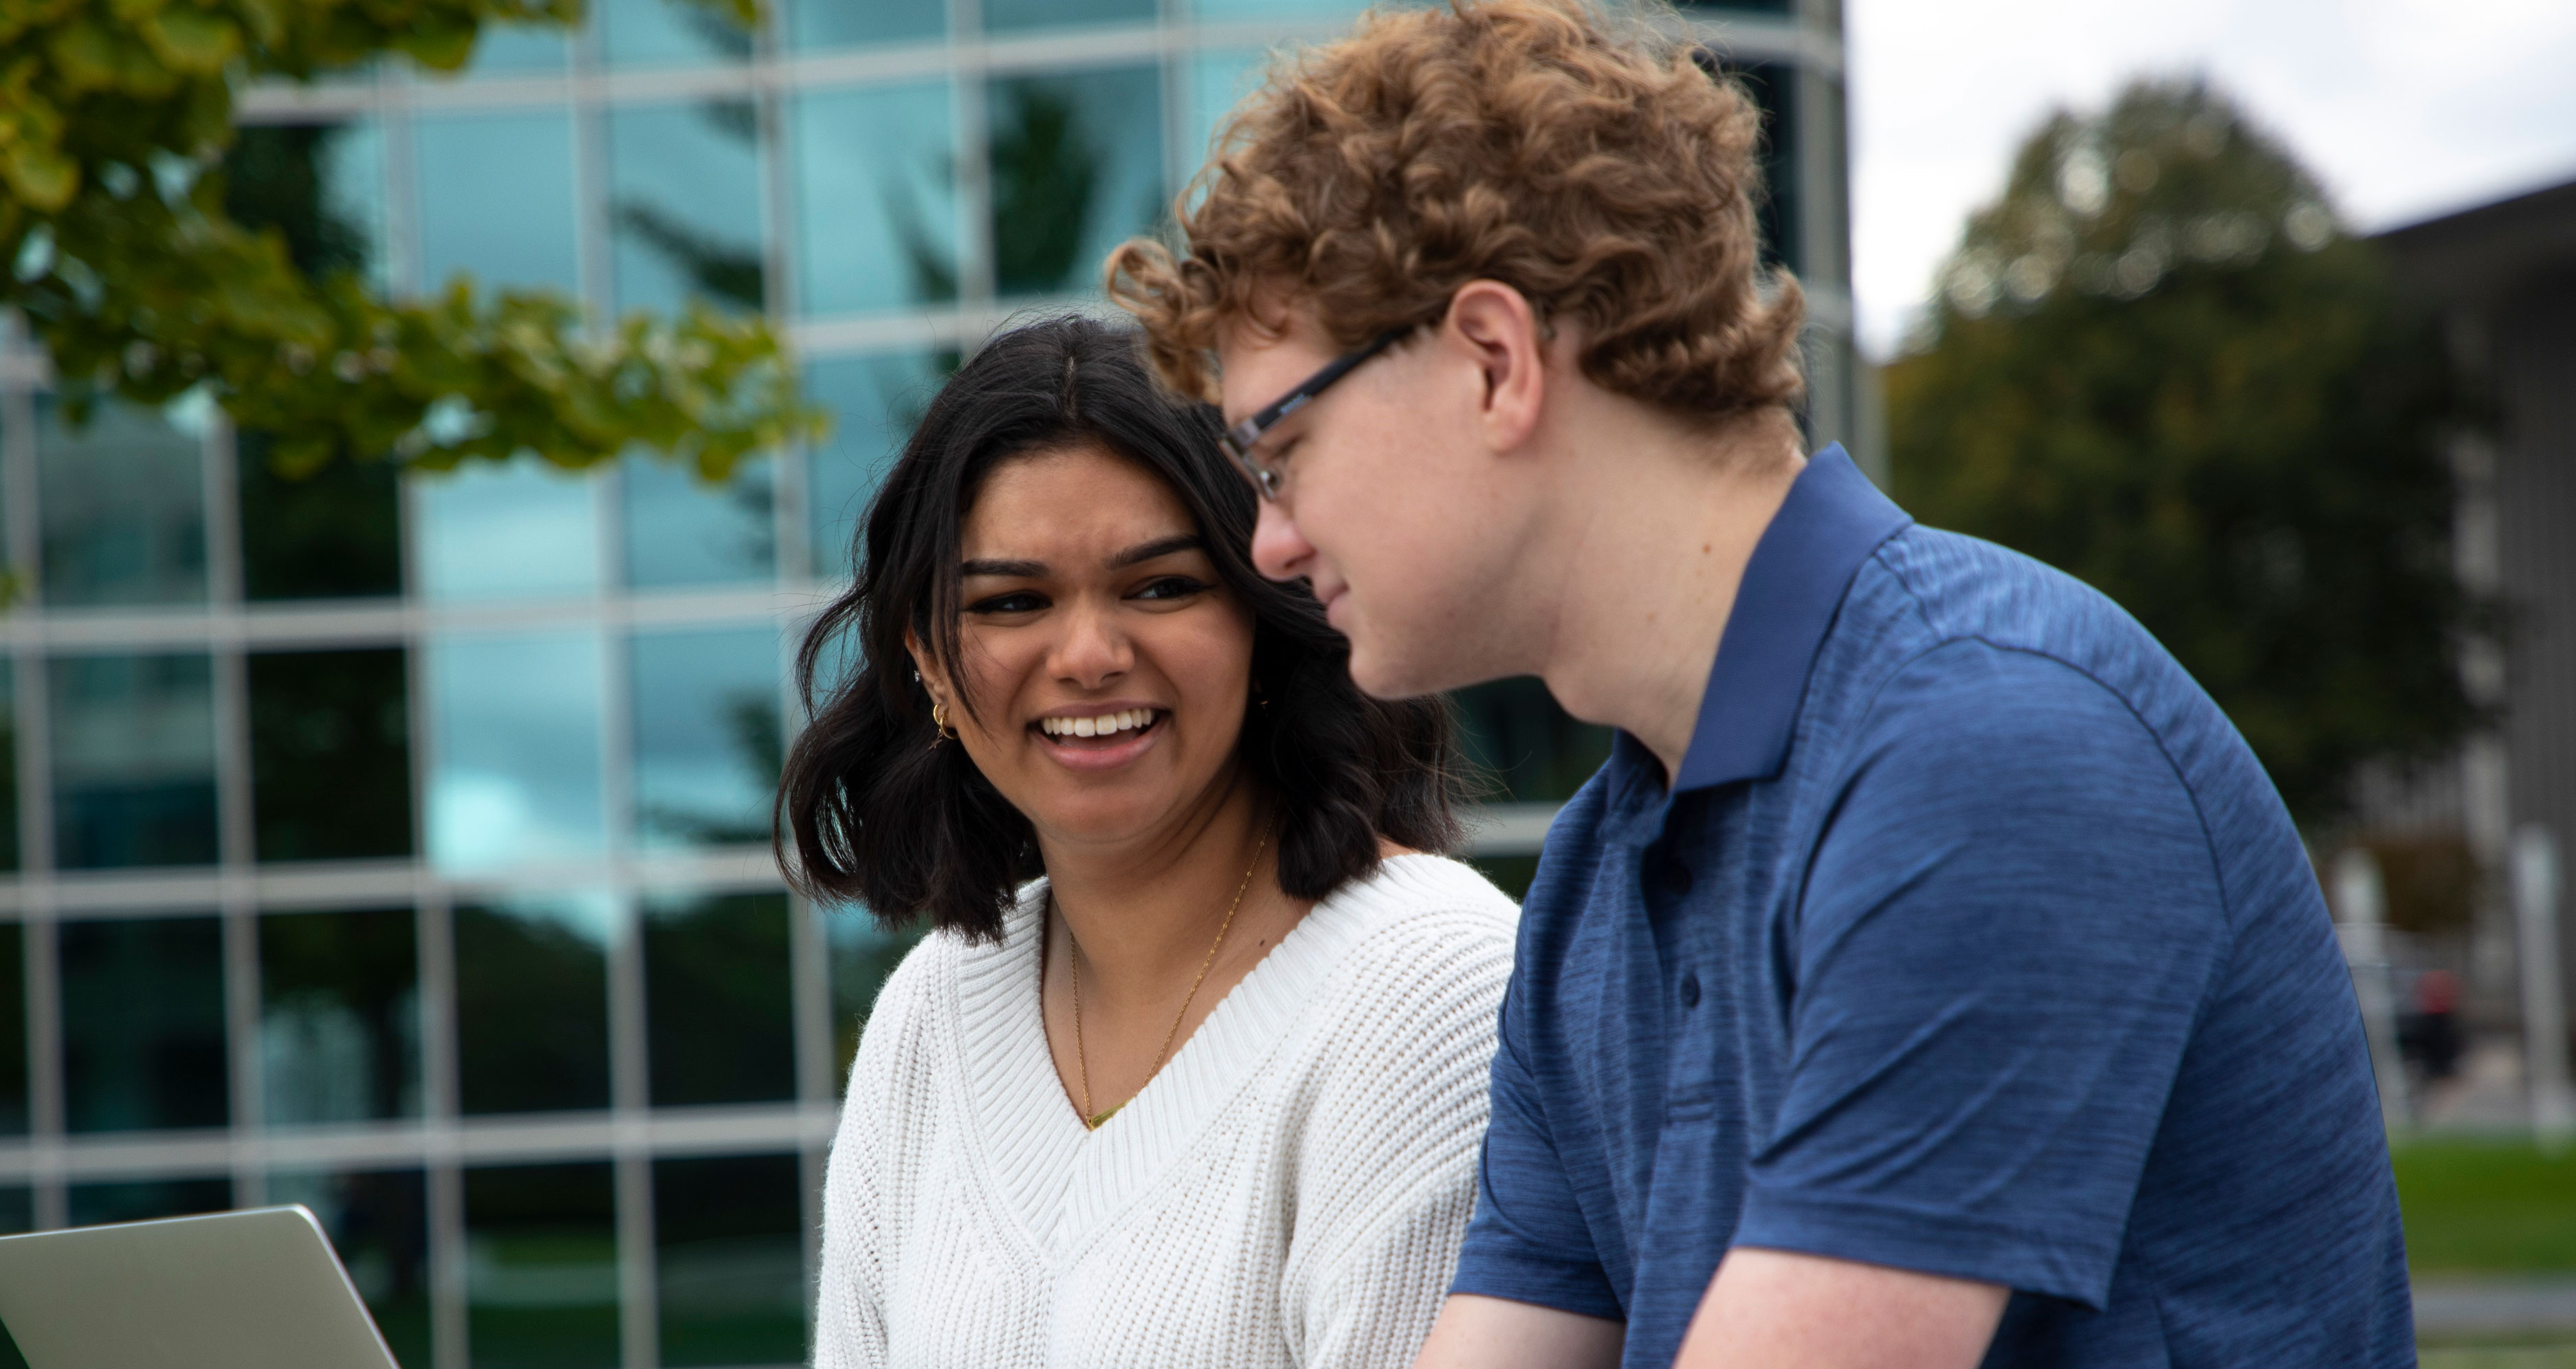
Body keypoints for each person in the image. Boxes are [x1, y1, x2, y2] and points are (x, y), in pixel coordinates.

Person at [1105, 3, 2414, 1367]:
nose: (1270, 539)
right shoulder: (1592, 887)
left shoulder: (1991, 748)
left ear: (1494, 362)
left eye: (1279, 449)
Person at [781, 316, 1522, 1368]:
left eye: (1161, 587)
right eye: (1012, 601)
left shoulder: (1427, 987)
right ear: (928, 663)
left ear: (1266, 614)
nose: (1088, 655)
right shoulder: (933, 1015)